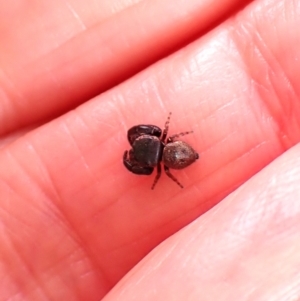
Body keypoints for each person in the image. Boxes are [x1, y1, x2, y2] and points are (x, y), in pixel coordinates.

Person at [0, 0, 299, 299]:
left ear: (155, 144)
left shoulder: (162, 155)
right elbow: (154, 141)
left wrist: (169, 165)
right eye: (138, 147)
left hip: (175, 156)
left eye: (139, 146)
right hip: (174, 155)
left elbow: (152, 153)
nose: (136, 144)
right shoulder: (163, 150)